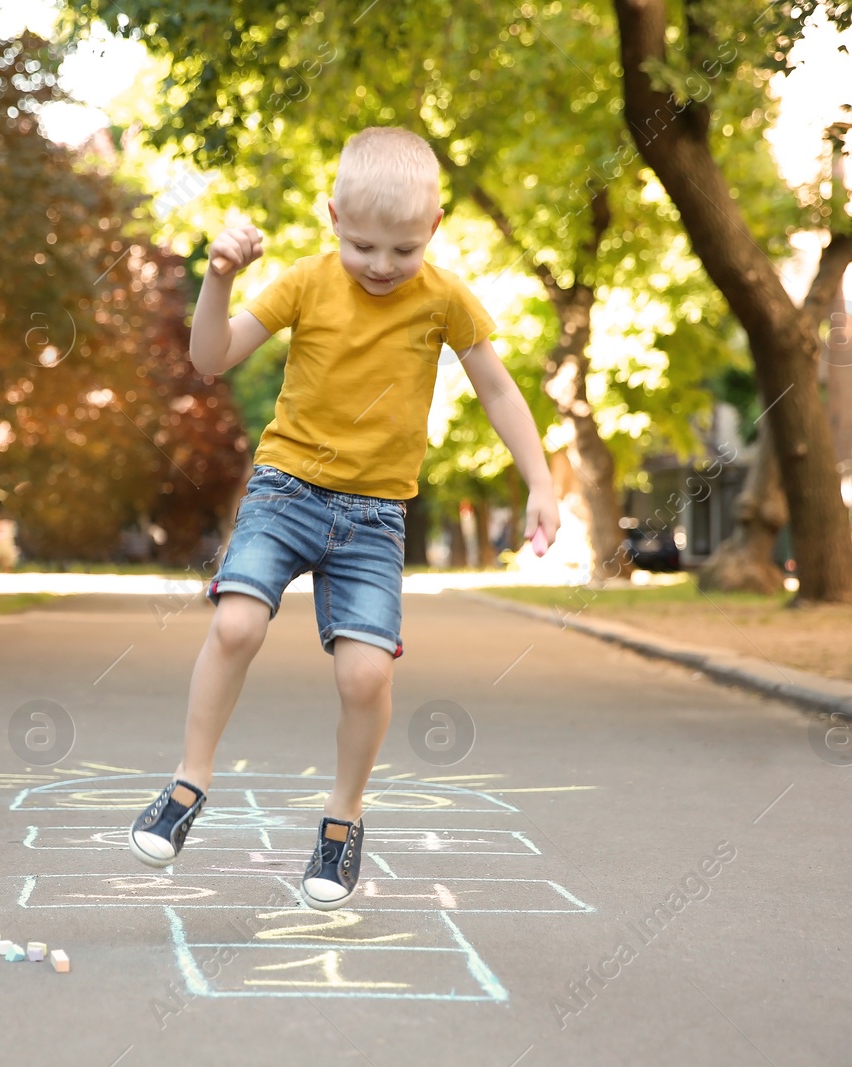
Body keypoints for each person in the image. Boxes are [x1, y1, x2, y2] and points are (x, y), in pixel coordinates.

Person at [128, 127, 559, 910]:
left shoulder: (446, 299)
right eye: (362, 245)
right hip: (285, 489)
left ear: (433, 228)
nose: (382, 266)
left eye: (401, 249)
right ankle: (189, 784)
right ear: (332, 218)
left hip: (373, 517)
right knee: (236, 626)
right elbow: (211, 357)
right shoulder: (305, 283)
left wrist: (541, 480)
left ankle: (343, 817)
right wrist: (219, 277)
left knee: (366, 675)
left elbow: (497, 389)